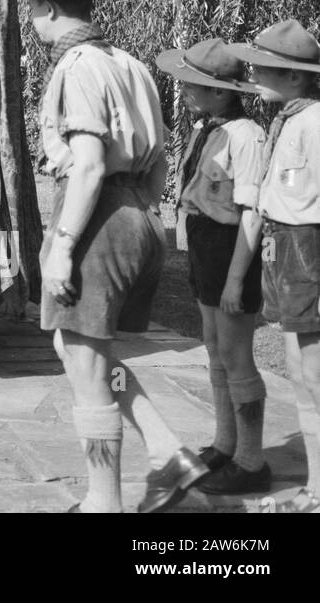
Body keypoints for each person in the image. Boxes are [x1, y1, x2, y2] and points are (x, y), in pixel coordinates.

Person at [13, 0, 208, 513]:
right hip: (139, 217)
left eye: (32, 6)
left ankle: (104, 505)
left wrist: (63, 245)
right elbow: (162, 159)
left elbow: (90, 164)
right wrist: (140, 213)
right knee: (82, 353)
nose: (32, 18)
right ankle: (170, 455)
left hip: (97, 218)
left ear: (46, 9)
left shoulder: (77, 68)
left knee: (87, 367)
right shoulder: (130, 64)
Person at [156, 38, 269, 494]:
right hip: (206, 246)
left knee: (237, 354)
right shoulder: (209, 127)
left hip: (231, 248)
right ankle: (225, 444)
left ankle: (251, 459)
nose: (184, 91)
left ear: (222, 91)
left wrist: (237, 278)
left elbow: (251, 212)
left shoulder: (245, 136)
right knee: (213, 345)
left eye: (193, 85)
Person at [228, 20, 320, 513]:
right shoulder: (288, 119)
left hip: (310, 246)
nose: (255, 70)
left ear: (297, 78)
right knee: (299, 374)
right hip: (285, 244)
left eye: (267, 66)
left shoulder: (315, 123)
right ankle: (314, 488)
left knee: (316, 374)